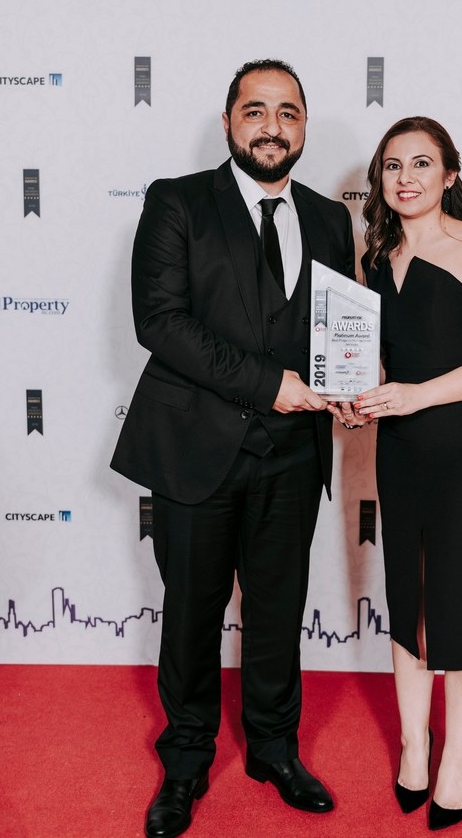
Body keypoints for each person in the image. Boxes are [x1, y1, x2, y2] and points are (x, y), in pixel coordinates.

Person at [110, 59, 355, 838]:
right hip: (195, 449)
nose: (271, 126)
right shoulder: (177, 201)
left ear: (303, 125)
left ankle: (273, 750)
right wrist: (268, 383)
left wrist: (352, 381)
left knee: (277, 611)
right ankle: (185, 761)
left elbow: (337, 329)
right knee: (191, 614)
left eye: (287, 112)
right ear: (228, 122)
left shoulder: (329, 217)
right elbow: (160, 320)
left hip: (295, 454)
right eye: (255, 110)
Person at [336, 116, 462, 830]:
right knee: (406, 594)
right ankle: (415, 744)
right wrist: (360, 399)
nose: (405, 177)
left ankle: (457, 754)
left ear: (449, 175)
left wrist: (415, 396)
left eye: (421, 163)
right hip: (402, 448)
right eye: (392, 165)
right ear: (379, 179)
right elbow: (380, 361)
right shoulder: (375, 258)